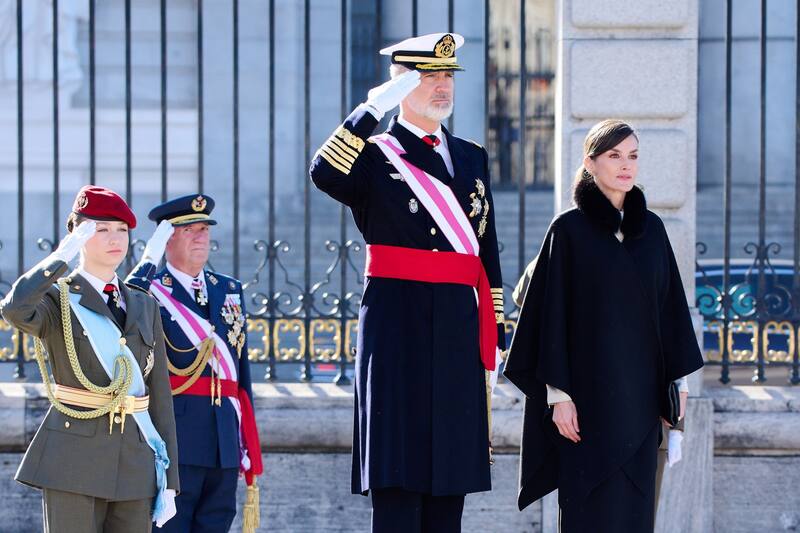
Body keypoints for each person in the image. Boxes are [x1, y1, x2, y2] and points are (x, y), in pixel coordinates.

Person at [309, 32, 506, 533]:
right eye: (428, 77)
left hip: (459, 330)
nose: (443, 87)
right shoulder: (375, 155)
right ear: (400, 85)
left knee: (450, 489)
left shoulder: (471, 156)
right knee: (399, 486)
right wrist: (370, 109)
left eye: (447, 77)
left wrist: (495, 326)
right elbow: (324, 174)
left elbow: (486, 249)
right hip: (398, 329)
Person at [503, 120, 704, 533]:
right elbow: (550, 316)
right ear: (591, 163)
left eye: (632, 155)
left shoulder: (653, 231)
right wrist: (558, 396)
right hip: (585, 408)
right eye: (614, 155)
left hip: (642, 405)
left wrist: (678, 389)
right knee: (586, 515)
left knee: (636, 516)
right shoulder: (569, 230)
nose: (626, 165)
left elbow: (670, 312)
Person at [0, 185, 179, 532]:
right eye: (101, 229)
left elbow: (159, 395)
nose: (116, 239)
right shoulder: (56, 299)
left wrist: (170, 478)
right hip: (73, 461)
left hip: (135, 461)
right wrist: (57, 260)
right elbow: (14, 309)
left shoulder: (143, 304)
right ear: (78, 236)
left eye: (122, 230)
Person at [126, 194, 262, 533]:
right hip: (177, 438)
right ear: (167, 239)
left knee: (217, 523)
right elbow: (126, 313)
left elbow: (239, 372)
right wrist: (148, 259)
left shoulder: (228, 289)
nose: (202, 237)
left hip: (224, 439)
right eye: (190, 231)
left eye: (204, 230)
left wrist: (244, 436)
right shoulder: (151, 291)